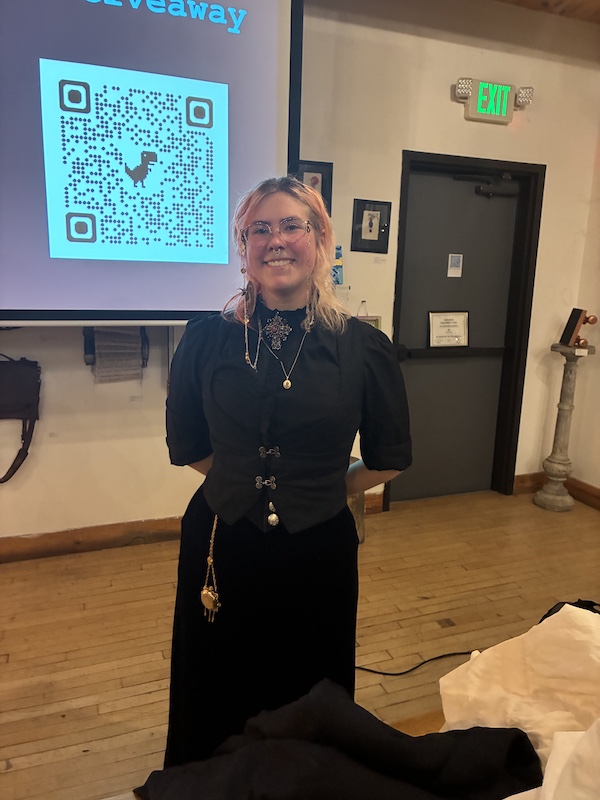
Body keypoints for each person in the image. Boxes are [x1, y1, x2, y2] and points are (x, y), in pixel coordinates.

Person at [161, 176, 411, 768]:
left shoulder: (362, 347)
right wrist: (240, 481)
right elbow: (187, 444)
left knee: (309, 685)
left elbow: (389, 457)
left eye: (292, 226)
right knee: (217, 680)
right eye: (260, 229)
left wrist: (328, 486)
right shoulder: (204, 341)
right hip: (224, 544)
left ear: (320, 239)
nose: (276, 240)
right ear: (243, 248)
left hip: (317, 549)